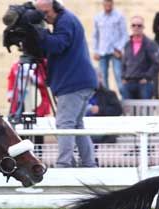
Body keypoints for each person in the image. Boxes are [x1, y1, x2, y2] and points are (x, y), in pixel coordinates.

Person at [34, 0, 98, 168]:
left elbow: (58, 45)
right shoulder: (65, 20)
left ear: (56, 8)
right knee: (76, 125)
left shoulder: (65, 21)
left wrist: (39, 32)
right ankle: (89, 163)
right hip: (80, 82)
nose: (44, 17)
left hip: (74, 84)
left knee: (65, 124)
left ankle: (64, 164)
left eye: (46, 12)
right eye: (41, 13)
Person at [92, 0, 129, 92]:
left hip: (115, 52)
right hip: (102, 52)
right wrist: (96, 50)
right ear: (103, 3)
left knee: (118, 75)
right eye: (106, 1)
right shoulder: (98, 17)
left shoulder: (119, 16)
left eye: (109, 2)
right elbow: (95, 36)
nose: (107, 4)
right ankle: (107, 102)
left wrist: (119, 49)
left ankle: (124, 101)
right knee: (103, 78)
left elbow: (124, 35)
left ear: (112, 3)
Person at [121, 16, 159, 100]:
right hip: (128, 83)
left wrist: (147, 77)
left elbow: (156, 63)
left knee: (145, 111)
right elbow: (123, 63)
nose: (136, 27)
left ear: (143, 27)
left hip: (144, 84)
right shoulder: (127, 44)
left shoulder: (150, 44)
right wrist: (123, 77)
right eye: (134, 25)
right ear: (131, 27)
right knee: (128, 112)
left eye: (139, 25)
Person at [87, 69, 123, 144]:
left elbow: (118, 110)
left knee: (89, 138)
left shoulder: (109, 94)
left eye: (95, 78)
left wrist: (100, 110)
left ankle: (89, 155)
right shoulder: (81, 95)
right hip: (84, 127)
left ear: (100, 79)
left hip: (102, 128)